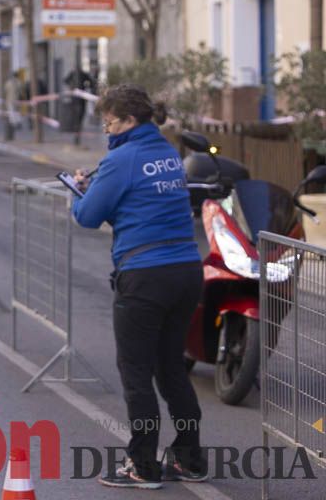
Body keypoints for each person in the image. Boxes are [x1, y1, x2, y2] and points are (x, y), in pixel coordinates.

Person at [71, 84, 206, 488]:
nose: (107, 130)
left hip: (145, 276)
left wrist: (79, 192)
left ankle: (142, 465)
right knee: (171, 369)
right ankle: (189, 458)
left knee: (136, 373)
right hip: (185, 270)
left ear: (130, 120)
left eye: (110, 122)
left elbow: (88, 216)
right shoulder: (167, 153)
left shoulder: (121, 160)